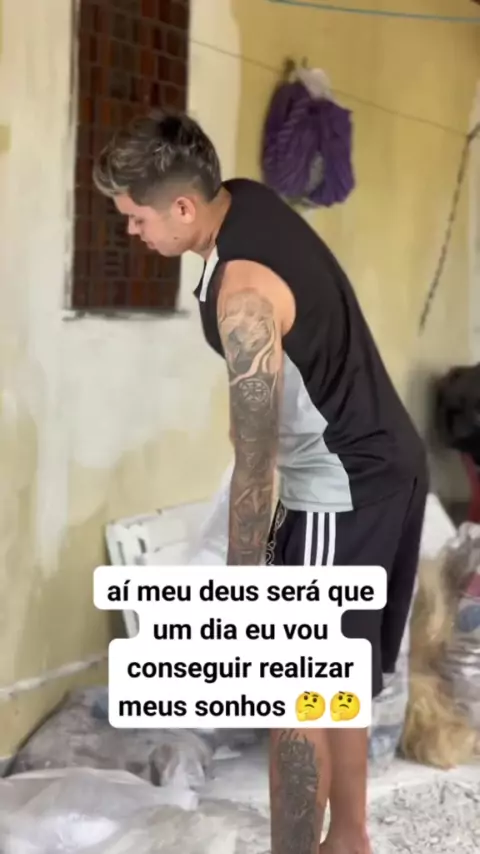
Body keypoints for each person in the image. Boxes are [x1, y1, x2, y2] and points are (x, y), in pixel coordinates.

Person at [93, 110, 428, 854]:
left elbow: (256, 463)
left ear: (184, 207)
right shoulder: (243, 199)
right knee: (331, 678)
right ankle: (349, 841)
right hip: (382, 465)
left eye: (136, 217)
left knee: (291, 687)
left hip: (339, 488)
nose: (132, 231)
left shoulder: (242, 295)